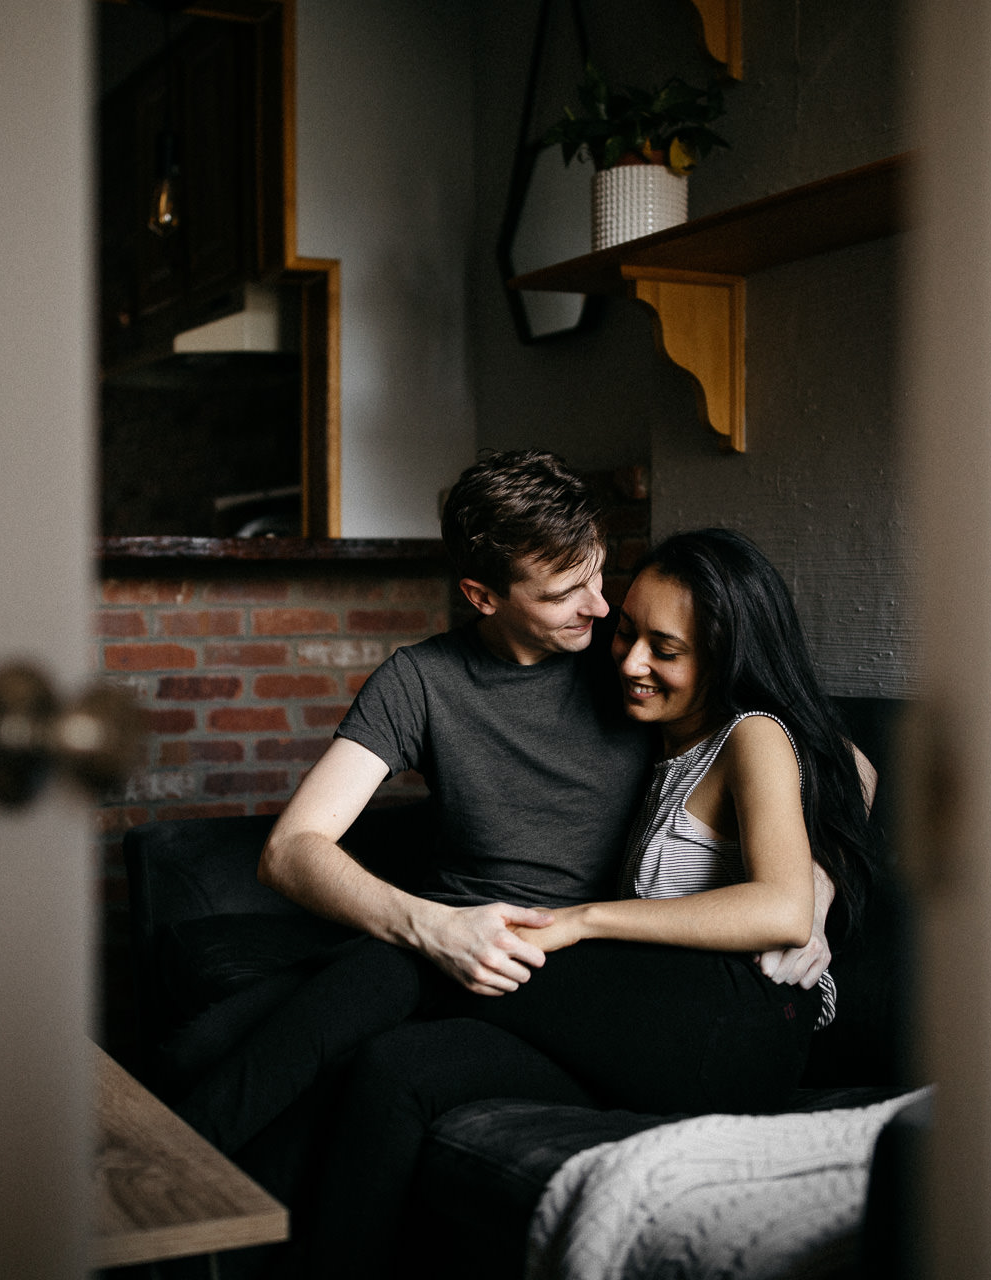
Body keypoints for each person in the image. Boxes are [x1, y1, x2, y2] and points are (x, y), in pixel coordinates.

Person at [168, 454, 835, 1161]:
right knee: (202, 1046)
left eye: (597, 576)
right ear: (483, 596)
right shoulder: (420, 680)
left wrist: (817, 885)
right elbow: (290, 850)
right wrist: (433, 928)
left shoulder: (625, 664)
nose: (600, 608)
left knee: (349, 1012)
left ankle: (160, 1182)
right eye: (563, 593)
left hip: (584, 972)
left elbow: (827, 752)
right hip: (446, 942)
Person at [296, 527, 882, 1279]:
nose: (632, 661)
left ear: (728, 655)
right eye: (625, 632)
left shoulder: (752, 734)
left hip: (738, 1023)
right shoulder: (664, 731)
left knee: (428, 957)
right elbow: (851, 764)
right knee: (397, 1067)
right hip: (650, 1025)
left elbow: (778, 907)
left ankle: (196, 1133)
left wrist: (585, 919)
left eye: (663, 650)